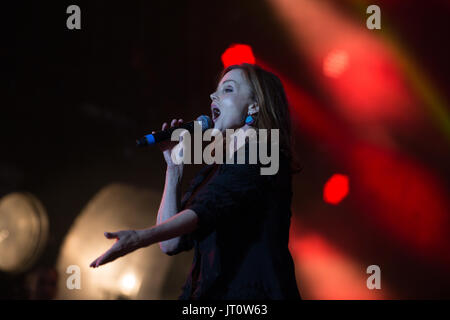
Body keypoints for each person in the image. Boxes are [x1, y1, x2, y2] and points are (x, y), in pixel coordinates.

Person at [90, 63, 302, 300]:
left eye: (228, 89)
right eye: (216, 90)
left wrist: (140, 238)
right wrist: (174, 170)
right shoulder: (214, 171)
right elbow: (171, 244)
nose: (214, 96)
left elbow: (207, 208)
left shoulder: (265, 152)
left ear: (254, 105)